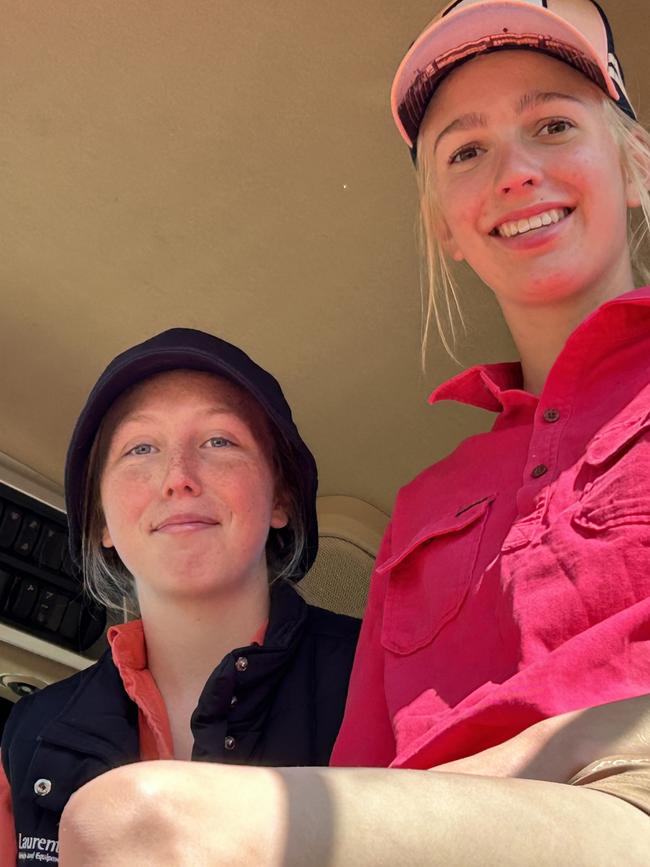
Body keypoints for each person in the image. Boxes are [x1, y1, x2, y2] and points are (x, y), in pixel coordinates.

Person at [54, 1, 650, 863]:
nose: (516, 170)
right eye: (467, 150)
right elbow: (364, 767)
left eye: (553, 124)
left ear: (634, 163)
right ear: (444, 222)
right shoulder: (425, 505)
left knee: (139, 825)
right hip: (433, 823)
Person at [0, 328, 360, 866]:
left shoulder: (379, 674)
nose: (178, 478)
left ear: (281, 499)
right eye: (140, 448)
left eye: (219, 440)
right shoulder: (27, 734)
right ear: (101, 522)